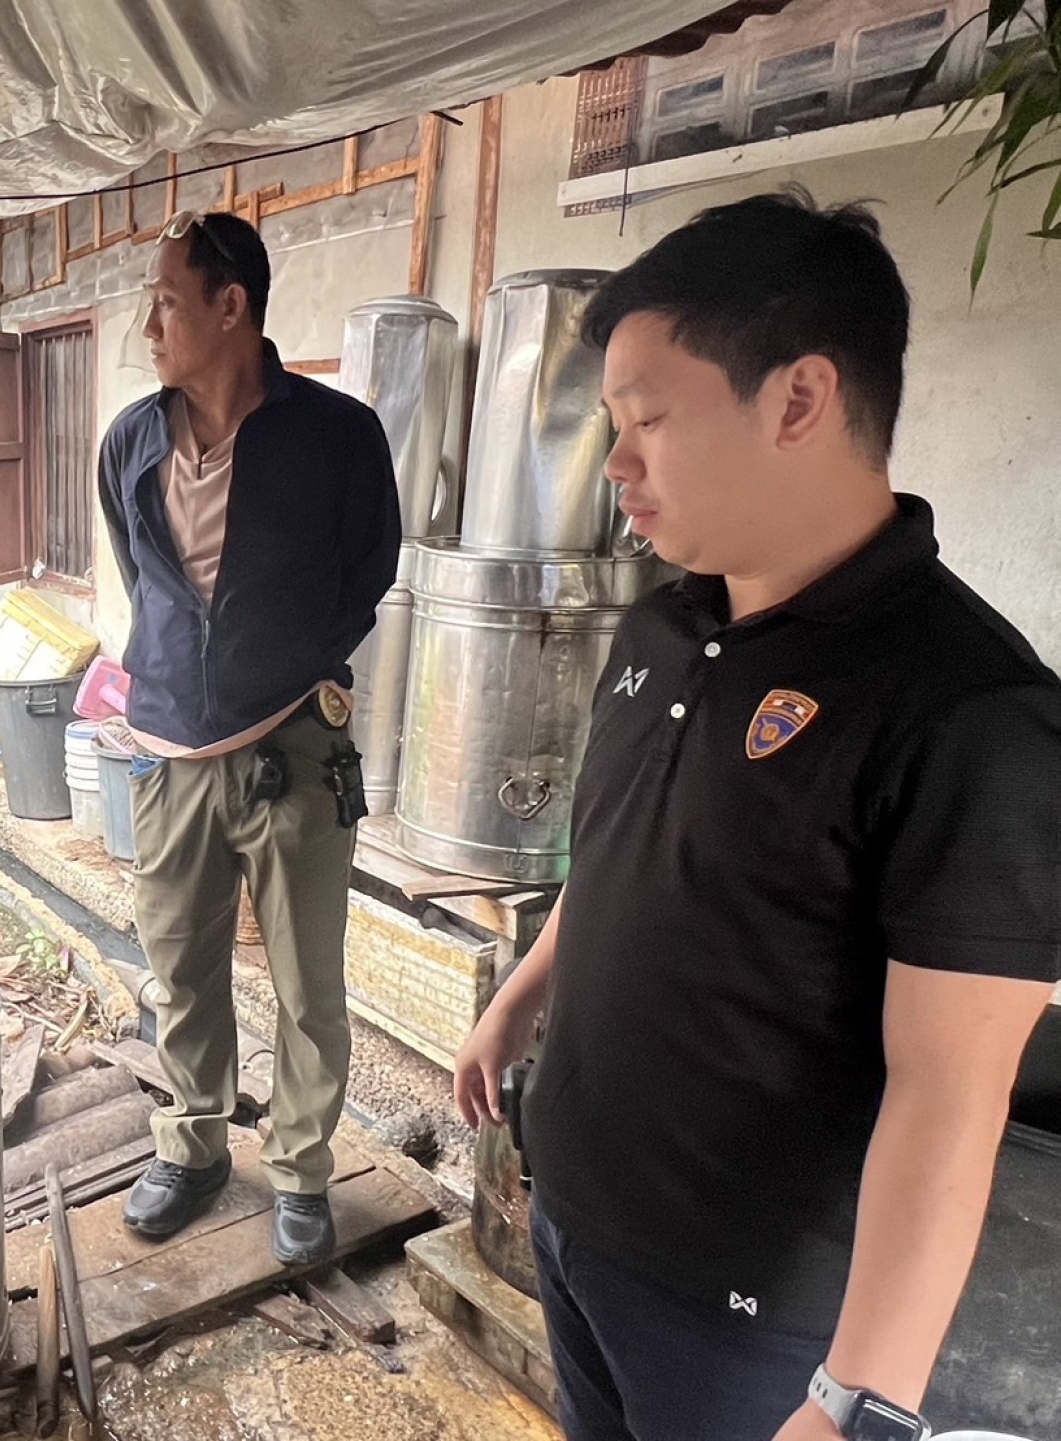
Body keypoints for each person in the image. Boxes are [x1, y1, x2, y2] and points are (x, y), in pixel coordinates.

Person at [454, 190, 1060, 1441]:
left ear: (798, 400)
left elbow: (951, 1095)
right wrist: (520, 996)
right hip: (573, 1217)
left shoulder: (970, 713)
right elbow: (625, 854)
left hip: (742, 1319)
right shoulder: (664, 623)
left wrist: (856, 1400)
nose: (616, 463)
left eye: (648, 420)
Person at [98, 210, 400, 1265]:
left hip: (294, 745)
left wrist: (295, 659)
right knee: (180, 968)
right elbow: (143, 572)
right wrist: (188, 666)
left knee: (309, 981)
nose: (149, 327)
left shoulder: (337, 435)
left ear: (232, 306)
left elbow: (369, 567)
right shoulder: (132, 440)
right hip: (169, 746)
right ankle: (193, 1145)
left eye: (166, 303)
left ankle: (303, 1169)